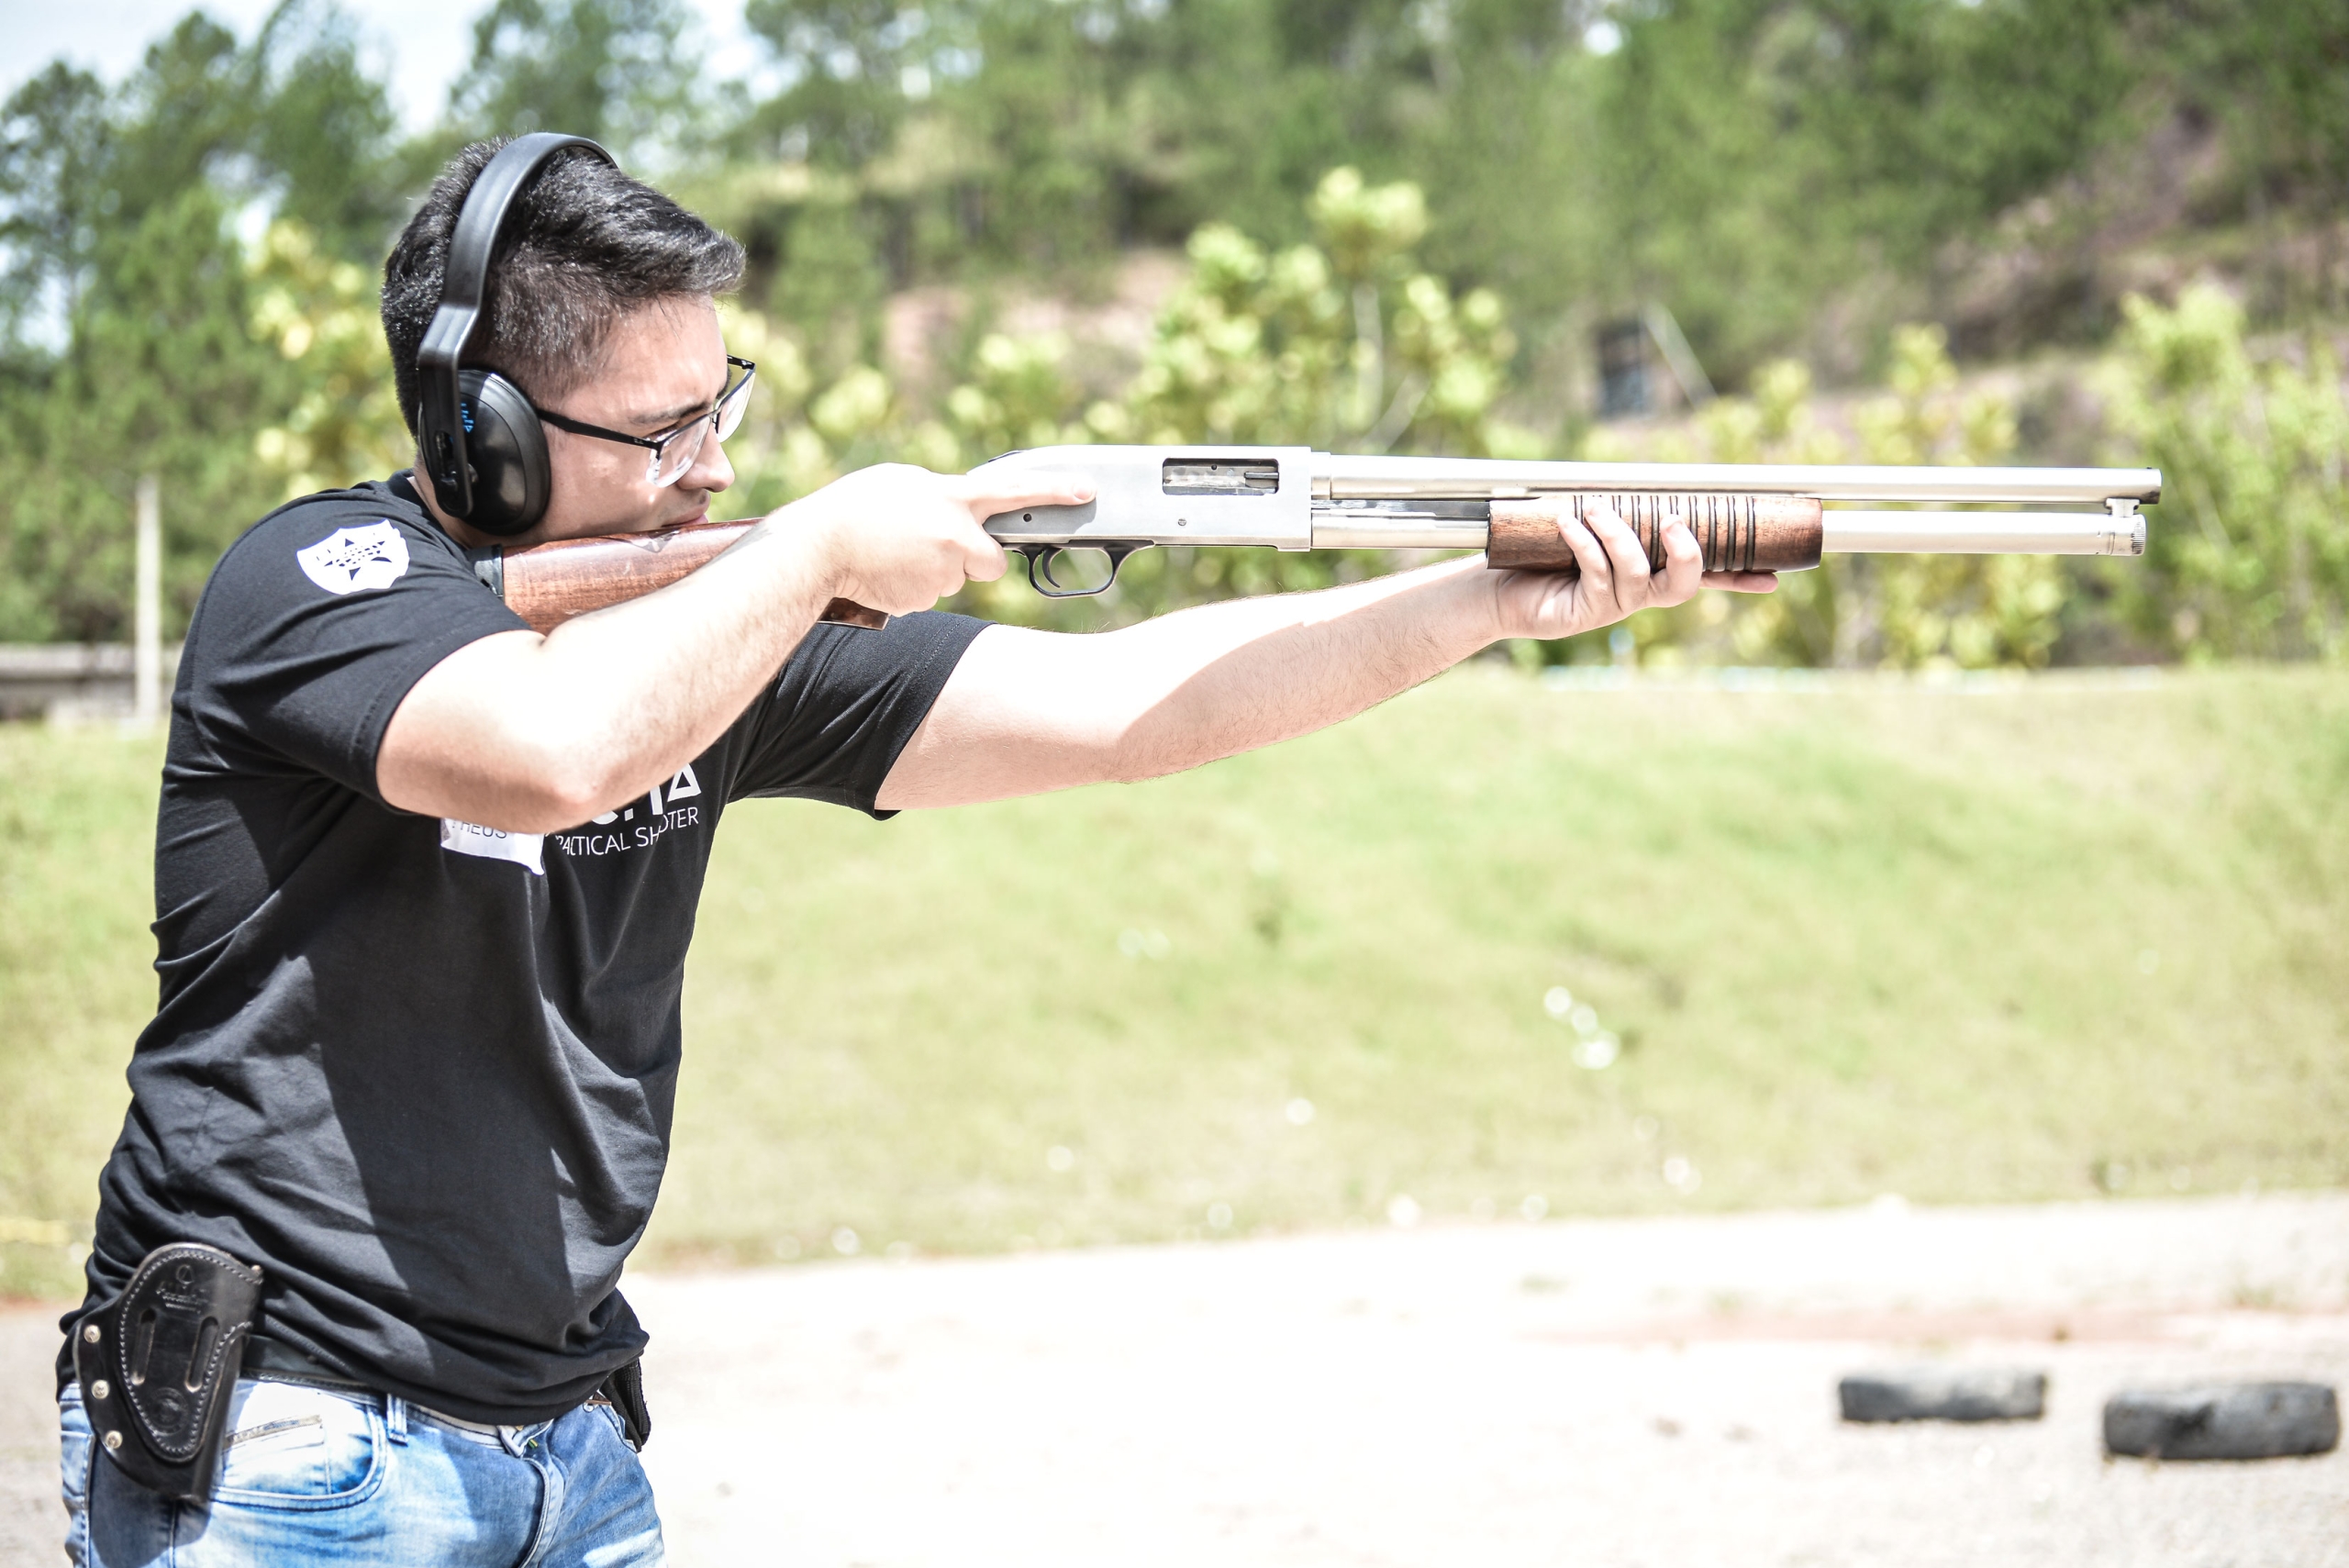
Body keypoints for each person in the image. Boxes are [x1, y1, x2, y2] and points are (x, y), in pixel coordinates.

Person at [56, 139, 1773, 1567]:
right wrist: (811, 551)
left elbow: (1128, 707)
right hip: (293, 1439)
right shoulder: (315, 581)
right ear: (478, 431)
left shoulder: (717, 636)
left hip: (561, 1443)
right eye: (662, 434)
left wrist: (1486, 597)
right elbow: (553, 750)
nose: (715, 466)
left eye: (720, 404)